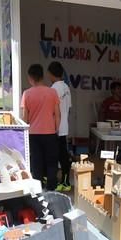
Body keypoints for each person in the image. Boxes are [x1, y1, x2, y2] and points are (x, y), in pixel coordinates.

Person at [20, 64, 61, 190]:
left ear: (31, 78)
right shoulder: (52, 92)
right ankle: (52, 187)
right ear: (42, 76)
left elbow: (24, 118)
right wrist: (56, 129)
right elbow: (58, 115)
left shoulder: (26, 94)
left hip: (33, 134)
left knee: (36, 162)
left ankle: (38, 188)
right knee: (51, 162)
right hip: (50, 132)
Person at [48, 61, 73, 192]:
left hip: (55, 127)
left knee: (55, 156)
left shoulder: (53, 89)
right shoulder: (66, 88)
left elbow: (53, 110)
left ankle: (58, 181)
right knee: (63, 154)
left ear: (51, 74)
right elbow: (68, 109)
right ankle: (66, 181)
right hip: (64, 126)